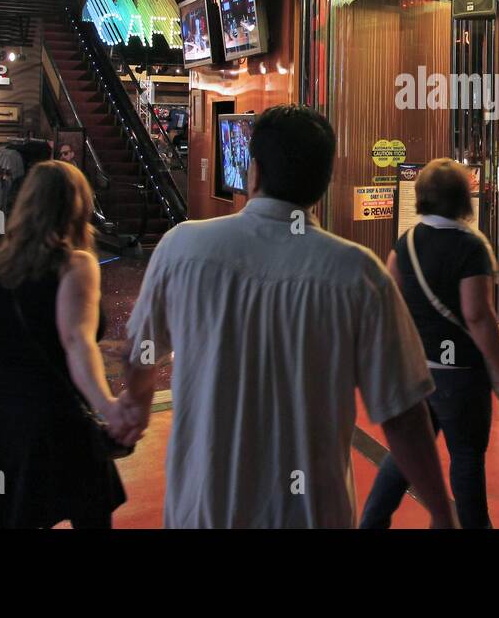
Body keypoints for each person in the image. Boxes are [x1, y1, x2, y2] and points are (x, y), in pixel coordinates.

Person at [123, 104, 456, 528]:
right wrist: (443, 513)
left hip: (202, 513)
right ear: (325, 183)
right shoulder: (358, 273)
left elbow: (140, 353)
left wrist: (134, 405)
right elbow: (403, 416)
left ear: (255, 171)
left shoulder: (181, 249)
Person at [0, 161, 134, 528]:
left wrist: (15, 361)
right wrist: (108, 407)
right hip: (54, 407)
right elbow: (76, 342)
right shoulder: (76, 263)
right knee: (88, 508)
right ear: (77, 206)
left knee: (6, 509)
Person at [360, 158, 499, 529]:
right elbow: (478, 316)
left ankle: (373, 521)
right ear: (464, 199)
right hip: (462, 378)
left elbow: (390, 302)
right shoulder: (471, 247)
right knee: (466, 460)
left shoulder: (407, 243)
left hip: (418, 372)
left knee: (406, 456)